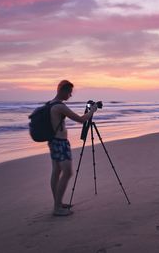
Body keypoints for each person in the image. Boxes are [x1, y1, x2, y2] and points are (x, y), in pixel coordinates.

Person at [48, 80, 98, 216]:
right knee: (68, 172)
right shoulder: (60, 107)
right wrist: (92, 111)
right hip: (60, 143)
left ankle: (57, 203)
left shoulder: (50, 104)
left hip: (53, 142)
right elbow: (81, 120)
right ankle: (57, 208)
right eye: (69, 92)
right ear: (63, 90)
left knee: (56, 172)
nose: (70, 95)